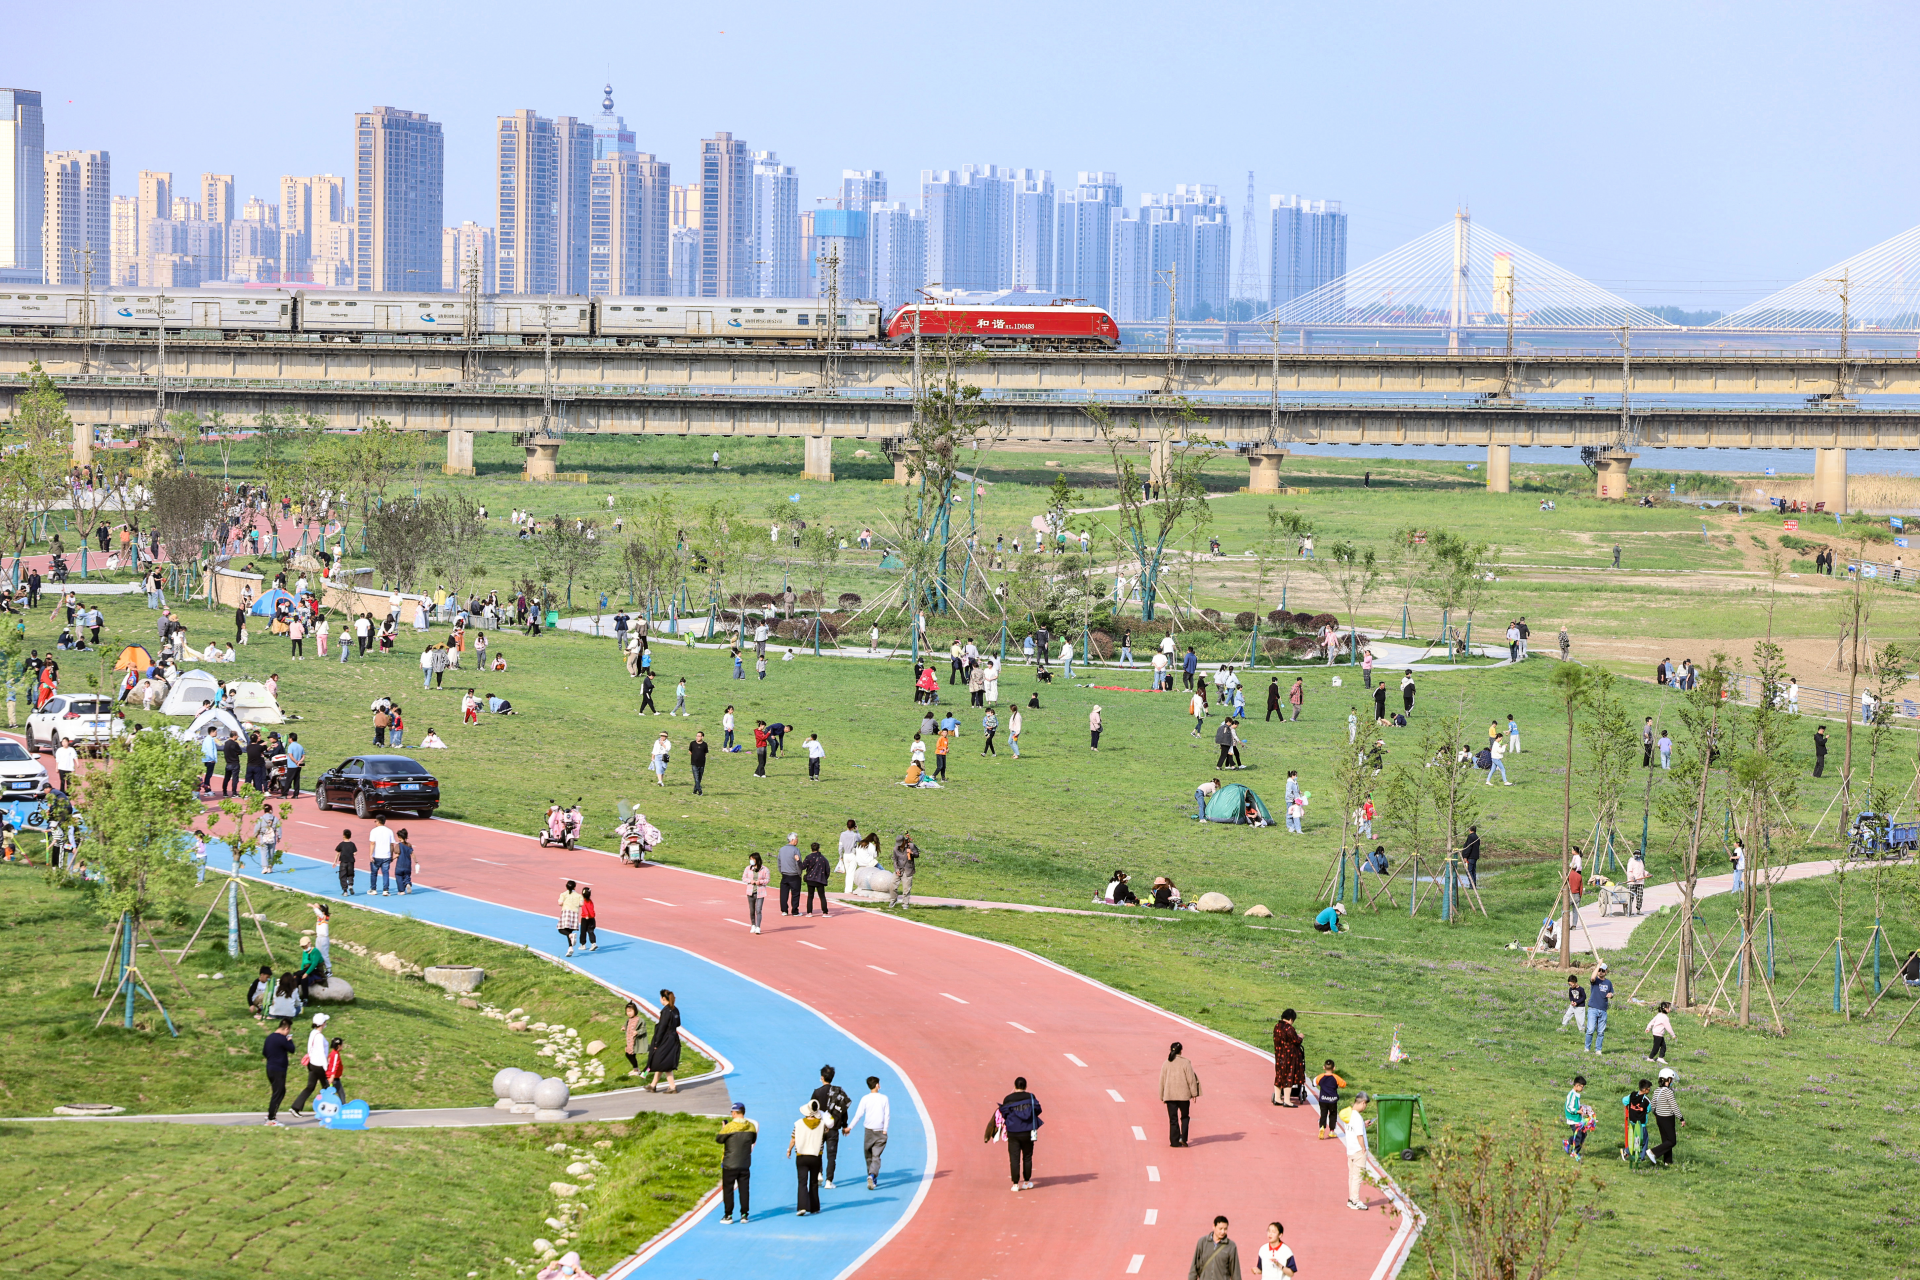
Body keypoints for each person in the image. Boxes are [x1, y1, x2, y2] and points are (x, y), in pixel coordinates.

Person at [991, 1076, 1043, 1191]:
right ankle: (1026, 1182)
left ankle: (1015, 1184)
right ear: (1026, 1086)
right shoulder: (1031, 1097)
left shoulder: (1008, 1098)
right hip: (1028, 1131)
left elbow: (1004, 1113)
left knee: (1014, 1158)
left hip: (1013, 1132)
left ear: (1014, 1086)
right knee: (1027, 1157)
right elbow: (1038, 1110)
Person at [787, 1099, 834, 1215]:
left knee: (802, 1182)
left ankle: (802, 1206)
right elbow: (827, 1130)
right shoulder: (822, 1124)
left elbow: (793, 1139)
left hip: (802, 1156)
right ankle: (815, 1207)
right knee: (813, 1182)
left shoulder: (798, 1124)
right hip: (816, 1156)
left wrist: (789, 1150)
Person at [716, 1103, 757, 1223]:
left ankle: (728, 1215)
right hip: (744, 1163)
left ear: (734, 1113)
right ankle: (744, 1214)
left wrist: (723, 1128)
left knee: (728, 1190)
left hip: (729, 1163)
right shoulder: (751, 1126)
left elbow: (719, 1139)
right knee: (744, 1190)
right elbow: (753, 1140)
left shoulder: (729, 1127)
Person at [850, 1074, 891, 1190]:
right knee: (876, 1156)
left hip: (868, 1131)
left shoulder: (865, 1098)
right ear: (877, 1085)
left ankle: (871, 1176)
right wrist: (885, 1129)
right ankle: (872, 1175)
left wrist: (850, 1127)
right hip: (880, 1131)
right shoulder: (884, 1098)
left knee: (868, 1156)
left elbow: (858, 1114)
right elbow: (887, 1115)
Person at [288, 1011, 332, 1117]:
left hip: (312, 1064)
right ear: (322, 1023)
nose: (326, 1023)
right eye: (325, 1021)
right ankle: (327, 1110)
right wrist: (326, 1067)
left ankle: (295, 1107)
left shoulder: (313, 1033)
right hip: (319, 1066)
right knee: (327, 1088)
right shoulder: (319, 1036)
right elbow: (322, 1053)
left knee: (310, 1087)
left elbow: (310, 1048)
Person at [1160, 1041, 1201, 1147]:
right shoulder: (1186, 1062)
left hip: (1169, 1095)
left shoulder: (1166, 1063)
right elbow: (1191, 1079)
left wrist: (1162, 1096)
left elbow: (1162, 1081)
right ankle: (1183, 1138)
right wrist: (1194, 1094)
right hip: (1183, 1096)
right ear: (1181, 1051)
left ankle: (1174, 1142)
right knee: (1185, 1117)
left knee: (1173, 1119)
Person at [1337, 1091, 1373, 1210]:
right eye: (1366, 1105)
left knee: (1352, 1176)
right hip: (1358, 1151)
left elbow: (1354, 1128)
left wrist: (1364, 1124)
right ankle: (1355, 1200)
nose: (1365, 1107)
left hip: (1350, 1150)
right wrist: (1363, 1148)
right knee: (1358, 1177)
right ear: (1363, 1103)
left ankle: (1351, 1199)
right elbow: (1359, 1135)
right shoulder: (1357, 1117)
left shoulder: (1349, 1115)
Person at [262, 1016, 296, 1126]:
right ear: (286, 1029)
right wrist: (290, 1040)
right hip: (279, 1070)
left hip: (270, 1068)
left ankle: (271, 1114)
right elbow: (292, 1049)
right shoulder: (282, 1039)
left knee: (279, 1091)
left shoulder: (269, 1037)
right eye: (289, 1030)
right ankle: (271, 1119)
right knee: (278, 1093)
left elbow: (264, 1052)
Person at [647, 989, 682, 1093]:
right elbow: (678, 1023)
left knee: (664, 1063)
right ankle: (653, 1085)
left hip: (665, 1039)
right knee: (661, 1061)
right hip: (673, 1038)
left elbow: (662, 1028)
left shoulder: (666, 1011)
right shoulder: (675, 1009)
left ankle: (672, 1087)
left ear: (663, 998)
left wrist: (656, 1043)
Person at [1272, 1009, 1305, 1106]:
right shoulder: (1289, 1028)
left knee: (1279, 1075)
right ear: (1291, 1019)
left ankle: (1277, 1098)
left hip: (1279, 1055)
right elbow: (1296, 1041)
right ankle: (1287, 1100)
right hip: (1289, 1057)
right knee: (1288, 1077)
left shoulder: (1277, 1026)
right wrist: (1300, 1037)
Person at [1313, 1059, 1346, 1137]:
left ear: (1324, 1067)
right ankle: (1332, 1131)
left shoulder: (1320, 1077)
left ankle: (1322, 1127)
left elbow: (1314, 1083)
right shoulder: (1336, 1077)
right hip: (1332, 1100)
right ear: (1334, 1068)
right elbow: (1343, 1084)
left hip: (1323, 1100)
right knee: (1333, 1115)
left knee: (1323, 1114)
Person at [1586, 962, 1614, 1053]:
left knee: (1601, 1032)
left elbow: (1611, 992)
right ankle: (1587, 1048)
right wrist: (1598, 965)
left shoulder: (1608, 982)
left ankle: (1598, 1050)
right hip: (1593, 1008)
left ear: (1606, 972)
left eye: (1602, 970)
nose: (1600, 972)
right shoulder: (1595, 981)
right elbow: (1592, 978)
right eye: (1599, 970)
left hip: (1603, 1010)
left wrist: (1611, 995)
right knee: (1590, 1030)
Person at [1624, 1079, 1653, 1166]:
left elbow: (1624, 1100)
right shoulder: (1646, 1099)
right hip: (1641, 1124)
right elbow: (1649, 1109)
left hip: (1632, 1122)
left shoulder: (1632, 1095)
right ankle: (1629, 1152)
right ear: (1644, 1090)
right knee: (1643, 1140)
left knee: (1634, 1138)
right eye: (1649, 1089)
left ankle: (1640, 1156)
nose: (1649, 1090)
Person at [1563, 1075, 1590, 1159]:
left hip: (1577, 1119)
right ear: (1577, 1085)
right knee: (1579, 1136)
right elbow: (1568, 1107)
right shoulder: (1571, 1095)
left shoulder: (1576, 1095)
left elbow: (1575, 1105)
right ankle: (1574, 1152)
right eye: (1582, 1087)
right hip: (1573, 1119)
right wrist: (1577, 1111)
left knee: (1583, 1134)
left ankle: (1568, 1142)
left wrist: (1582, 1108)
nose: (1582, 1089)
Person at [890, 831, 919, 907]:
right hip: (899, 869)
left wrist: (912, 852)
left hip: (908, 870)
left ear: (904, 841)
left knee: (906, 889)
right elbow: (895, 860)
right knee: (892, 886)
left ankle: (905, 904)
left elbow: (917, 855)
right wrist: (896, 870)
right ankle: (893, 900)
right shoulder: (895, 849)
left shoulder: (911, 846)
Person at [802, 842, 831, 917]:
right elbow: (827, 870)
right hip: (820, 879)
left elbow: (802, 867)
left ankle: (809, 912)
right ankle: (825, 912)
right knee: (822, 896)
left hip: (810, 879)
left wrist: (798, 861)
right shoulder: (823, 859)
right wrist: (825, 878)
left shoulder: (808, 857)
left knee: (810, 896)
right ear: (819, 849)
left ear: (811, 849)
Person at [367, 818, 394, 895]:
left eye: (375, 821)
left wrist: (370, 855)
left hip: (376, 855)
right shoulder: (389, 831)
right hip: (386, 855)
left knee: (374, 873)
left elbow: (372, 843)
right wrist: (391, 855)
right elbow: (391, 844)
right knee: (385, 873)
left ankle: (373, 889)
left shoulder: (374, 831)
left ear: (378, 821)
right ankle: (385, 890)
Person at [556, 879, 584, 956]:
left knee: (561, 929)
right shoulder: (579, 895)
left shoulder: (563, 894)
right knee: (569, 931)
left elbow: (560, 903)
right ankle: (570, 948)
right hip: (574, 913)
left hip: (566, 912)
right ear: (575, 887)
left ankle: (570, 938)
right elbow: (581, 904)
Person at [332, 829, 357, 895]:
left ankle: (345, 891)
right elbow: (355, 853)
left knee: (343, 876)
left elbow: (337, 853)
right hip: (351, 862)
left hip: (343, 862)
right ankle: (350, 885)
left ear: (343, 836)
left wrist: (335, 862)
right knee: (350, 874)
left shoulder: (341, 844)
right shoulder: (352, 844)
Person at [578, 886, 598, 952]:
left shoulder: (583, 901)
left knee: (583, 932)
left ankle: (583, 944)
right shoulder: (591, 901)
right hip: (592, 918)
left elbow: (584, 908)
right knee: (591, 931)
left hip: (585, 918)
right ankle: (593, 943)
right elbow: (592, 908)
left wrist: (586, 915)